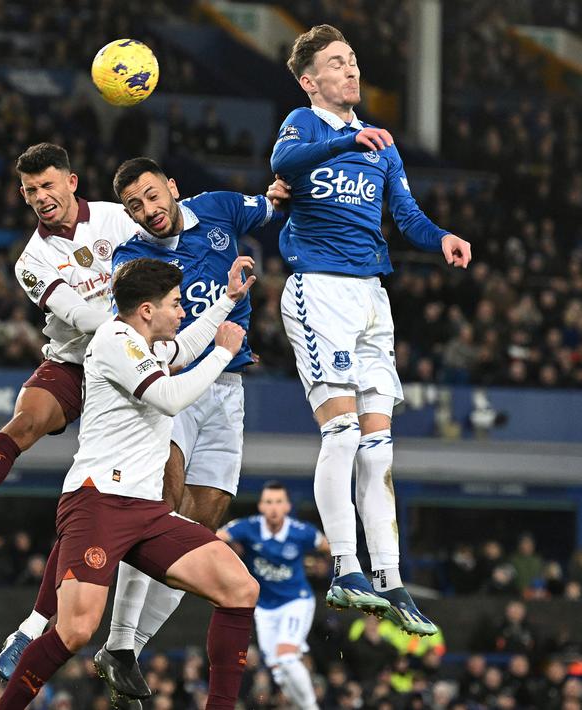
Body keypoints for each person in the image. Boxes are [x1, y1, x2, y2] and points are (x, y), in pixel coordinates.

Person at [0, 257, 259, 709]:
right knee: (75, 631)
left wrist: (226, 302)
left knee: (240, 588)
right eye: (176, 303)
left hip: (147, 511)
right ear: (147, 309)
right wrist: (225, 353)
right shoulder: (114, 339)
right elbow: (168, 399)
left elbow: (183, 349)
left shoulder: (144, 343)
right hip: (99, 503)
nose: (182, 311)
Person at [271, 24, 470, 635]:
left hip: (370, 298)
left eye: (353, 60)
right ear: (312, 81)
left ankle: (390, 578)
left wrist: (442, 238)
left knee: (380, 447)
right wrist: (345, 142)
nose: (351, 71)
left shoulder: (382, 145)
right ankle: (343, 568)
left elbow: (404, 213)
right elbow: (284, 162)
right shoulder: (306, 127)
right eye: (337, 63)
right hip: (319, 289)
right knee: (343, 433)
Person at [0, 142, 145, 675]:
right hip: (73, 362)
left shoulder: (119, 218)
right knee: (22, 423)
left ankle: (33, 627)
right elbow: (82, 318)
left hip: (130, 372)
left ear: (72, 181)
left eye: (48, 185)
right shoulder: (32, 260)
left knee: (89, 497)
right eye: (30, 190)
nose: (41, 197)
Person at [218, 482, 328, 710]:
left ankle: (311, 707)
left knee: (287, 658)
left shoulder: (301, 531)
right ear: (261, 506)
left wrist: (329, 568)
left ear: (287, 506)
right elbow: (218, 537)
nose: (274, 508)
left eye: (278, 502)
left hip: (296, 601)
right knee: (277, 669)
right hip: (265, 608)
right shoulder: (248, 528)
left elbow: (328, 546)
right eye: (269, 502)